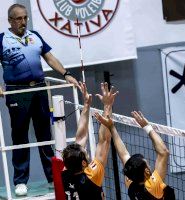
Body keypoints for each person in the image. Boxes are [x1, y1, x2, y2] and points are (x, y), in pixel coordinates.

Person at [0, 4, 78, 196]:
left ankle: (52, 177)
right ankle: (20, 181)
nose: (23, 22)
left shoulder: (35, 36)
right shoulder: (2, 39)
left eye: (25, 18)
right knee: (20, 136)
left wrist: (66, 73)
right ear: (10, 20)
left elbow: (49, 57)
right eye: (18, 18)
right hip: (17, 92)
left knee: (45, 134)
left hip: (40, 89)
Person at [95, 111, 175, 200]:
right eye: (147, 163)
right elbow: (164, 152)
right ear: (147, 172)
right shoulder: (153, 187)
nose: (149, 165)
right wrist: (147, 127)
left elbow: (124, 154)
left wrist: (112, 127)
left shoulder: (131, 183)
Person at [61, 82, 117, 200]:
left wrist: (86, 104)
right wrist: (107, 105)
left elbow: (80, 138)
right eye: (86, 152)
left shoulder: (66, 172)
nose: (87, 151)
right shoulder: (92, 175)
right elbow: (104, 141)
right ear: (83, 163)